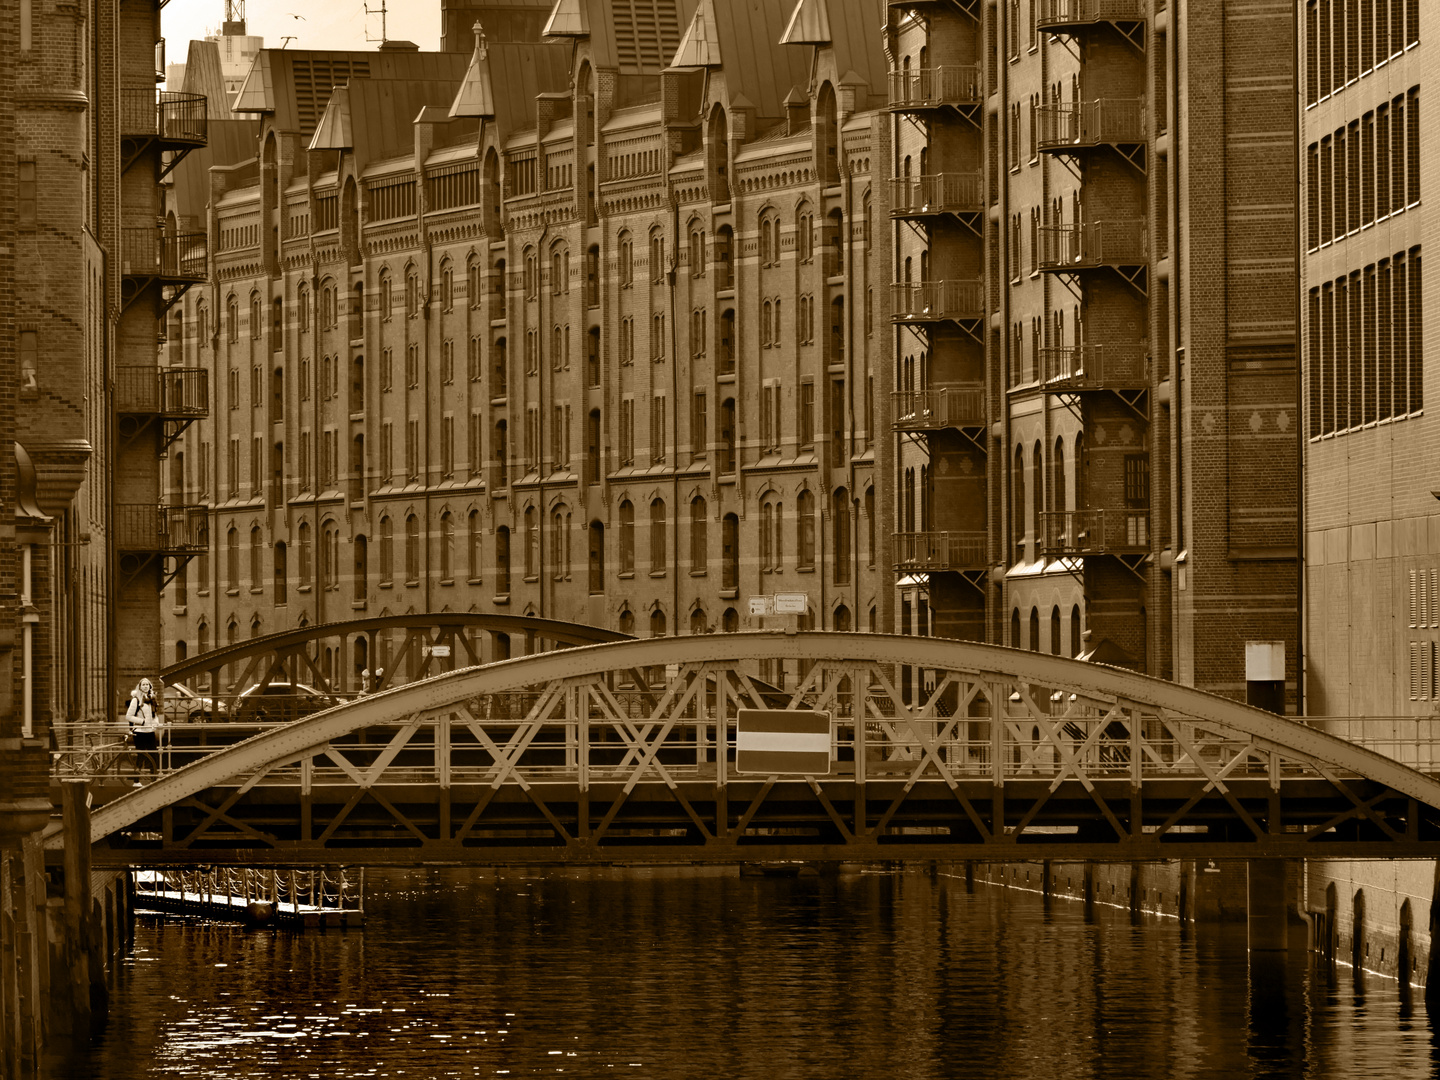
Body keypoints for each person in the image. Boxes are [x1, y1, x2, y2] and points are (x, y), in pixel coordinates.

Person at [126, 678, 162, 786]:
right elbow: (128, 716)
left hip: (150, 731)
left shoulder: (152, 699)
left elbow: (154, 715)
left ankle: (154, 778)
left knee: (154, 754)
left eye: (147, 684)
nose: (145, 686)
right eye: (143, 684)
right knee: (141, 755)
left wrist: (156, 723)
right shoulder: (136, 700)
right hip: (140, 732)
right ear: (140, 686)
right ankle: (136, 781)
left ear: (150, 686)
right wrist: (142, 722)